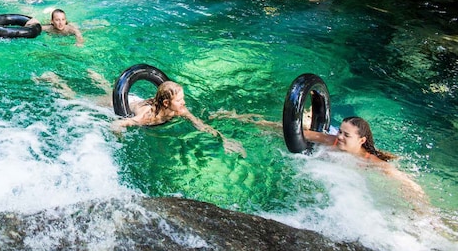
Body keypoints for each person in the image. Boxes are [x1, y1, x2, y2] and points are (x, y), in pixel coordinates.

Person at [210, 111, 427, 204]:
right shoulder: (331, 141)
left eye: (346, 135)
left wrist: (419, 205)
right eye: (340, 131)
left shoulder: (370, 162)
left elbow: (403, 181)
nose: (339, 136)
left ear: (361, 140)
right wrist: (246, 121)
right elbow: (296, 132)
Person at [37, 69, 246, 156]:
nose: (184, 104)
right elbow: (117, 123)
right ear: (166, 102)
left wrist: (222, 139)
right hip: (127, 103)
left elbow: (199, 123)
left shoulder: (178, 111)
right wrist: (120, 141)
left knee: (110, 92)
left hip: (136, 100)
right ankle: (54, 80)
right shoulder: (147, 117)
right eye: (180, 100)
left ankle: (99, 78)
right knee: (76, 99)